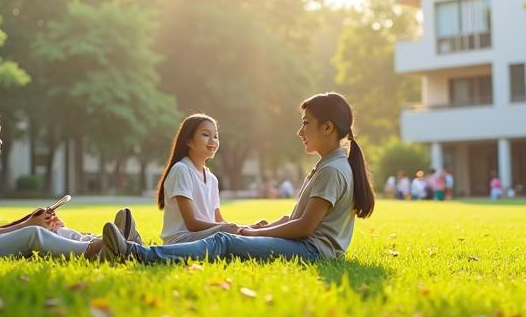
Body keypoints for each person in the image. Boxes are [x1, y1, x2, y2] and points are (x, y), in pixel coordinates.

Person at [98, 92, 376, 263]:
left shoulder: (332, 169)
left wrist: (253, 233)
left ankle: (135, 253)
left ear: (327, 128)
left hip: (312, 251)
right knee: (228, 237)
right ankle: (129, 246)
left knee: (224, 242)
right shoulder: (328, 166)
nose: (299, 131)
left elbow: (304, 228)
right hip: (309, 246)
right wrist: (263, 228)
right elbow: (297, 221)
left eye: (306, 123)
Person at [0, 102, 129, 260]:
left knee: (46, 229)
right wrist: (27, 225)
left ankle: (104, 241)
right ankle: (97, 251)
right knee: (33, 233)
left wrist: (29, 219)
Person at [156, 114, 241, 244]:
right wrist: (228, 229)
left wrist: (243, 228)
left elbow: (219, 220)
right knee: (232, 236)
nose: (212, 141)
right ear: (188, 140)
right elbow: (192, 224)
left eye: (216, 136)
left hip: (206, 237)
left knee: (241, 234)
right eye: (206, 135)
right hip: (181, 241)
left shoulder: (212, 179)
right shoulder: (181, 170)